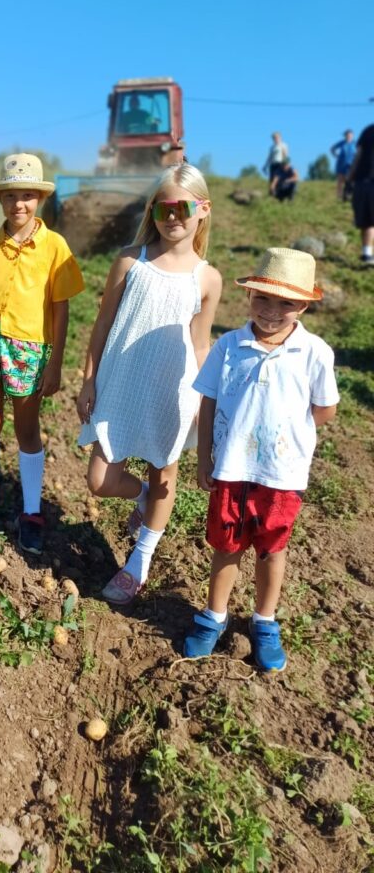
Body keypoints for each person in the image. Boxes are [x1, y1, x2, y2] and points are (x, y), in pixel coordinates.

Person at [183, 248, 338, 672]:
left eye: (285, 302)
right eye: (262, 299)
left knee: (272, 549)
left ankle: (264, 620)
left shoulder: (314, 353)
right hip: (231, 467)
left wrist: (287, 435)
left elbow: (323, 409)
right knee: (226, 545)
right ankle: (215, 614)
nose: (271, 310)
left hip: (281, 475)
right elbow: (209, 400)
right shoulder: (229, 346)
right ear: (248, 297)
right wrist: (204, 459)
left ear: (303, 305)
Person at [76, 163, 222, 604]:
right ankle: (139, 497)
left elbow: (200, 343)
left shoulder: (207, 278)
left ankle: (138, 563)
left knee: (165, 474)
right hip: (120, 384)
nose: (173, 216)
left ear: (203, 210)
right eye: (163, 207)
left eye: (183, 207)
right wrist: (87, 379)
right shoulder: (130, 260)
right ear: (153, 210)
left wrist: (201, 398)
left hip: (173, 390)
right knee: (100, 480)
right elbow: (103, 323)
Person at [0, 153, 84, 555]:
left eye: (27, 195)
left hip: (28, 349)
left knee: (26, 430)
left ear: (40, 200)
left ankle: (31, 512)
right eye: (11, 196)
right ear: (0, 200)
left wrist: (56, 363)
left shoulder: (54, 247)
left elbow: (61, 307)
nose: (19, 204)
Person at [346, 124, 374, 266]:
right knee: (366, 220)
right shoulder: (368, 131)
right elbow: (358, 155)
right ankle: (367, 254)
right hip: (364, 181)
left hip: (365, 182)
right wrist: (349, 178)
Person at [330, 129, 356, 201]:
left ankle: (351, 195)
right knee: (340, 180)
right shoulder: (342, 143)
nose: (348, 137)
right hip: (341, 164)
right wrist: (336, 155)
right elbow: (332, 148)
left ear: (352, 136)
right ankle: (339, 196)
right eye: (347, 135)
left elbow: (360, 151)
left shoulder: (355, 143)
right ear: (345, 136)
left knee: (351, 181)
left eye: (350, 135)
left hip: (351, 165)